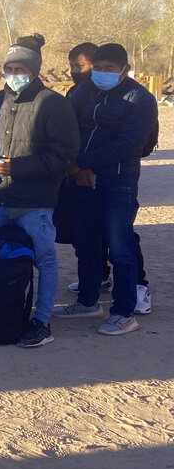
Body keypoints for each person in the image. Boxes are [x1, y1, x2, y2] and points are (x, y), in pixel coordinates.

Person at [0, 34, 79, 347]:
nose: (14, 74)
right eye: (9, 68)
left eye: (20, 68)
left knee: (44, 260)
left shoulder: (53, 104)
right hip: (1, 198)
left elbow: (65, 155)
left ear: (34, 70)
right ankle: (6, 312)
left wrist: (17, 168)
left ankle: (42, 321)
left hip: (35, 203)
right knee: (4, 258)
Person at [54, 43, 158, 335]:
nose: (101, 73)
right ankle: (87, 301)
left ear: (124, 69)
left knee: (120, 248)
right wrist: (73, 167)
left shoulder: (140, 99)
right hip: (80, 179)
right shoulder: (86, 91)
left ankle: (124, 312)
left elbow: (128, 145)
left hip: (116, 182)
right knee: (85, 243)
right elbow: (67, 126)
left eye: (109, 69)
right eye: (97, 68)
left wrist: (83, 164)